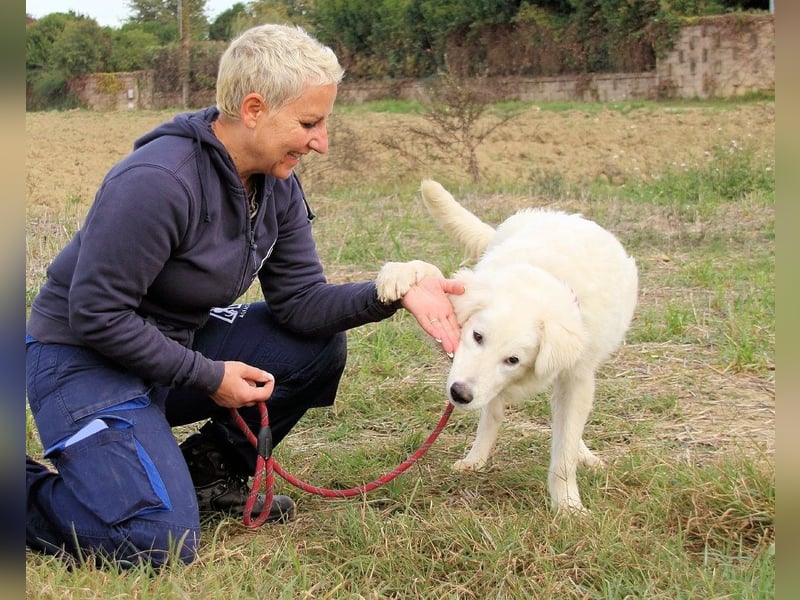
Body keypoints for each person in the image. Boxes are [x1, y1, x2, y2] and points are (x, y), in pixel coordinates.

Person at [25, 23, 463, 569]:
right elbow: (95, 315)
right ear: (254, 108)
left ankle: (206, 478)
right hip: (81, 359)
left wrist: (391, 293)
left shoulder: (274, 182)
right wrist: (209, 377)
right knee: (155, 543)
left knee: (315, 346)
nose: (321, 142)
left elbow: (301, 303)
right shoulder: (158, 180)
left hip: (167, 350)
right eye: (309, 123)